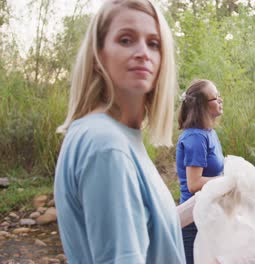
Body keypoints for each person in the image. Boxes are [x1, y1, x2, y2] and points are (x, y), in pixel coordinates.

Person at [53, 0, 185, 263]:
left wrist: (205, 204)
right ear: (98, 54)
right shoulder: (106, 145)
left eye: (153, 44)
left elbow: (146, 229)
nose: (143, 52)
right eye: (126, 40)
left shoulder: (114, 136)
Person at [176, 79, 224, 264]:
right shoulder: (195, 137)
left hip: (208, 215)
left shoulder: (208, 132)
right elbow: (194, 183)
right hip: (193, 220)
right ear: (202, 105)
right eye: (215, 97)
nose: (220, 100)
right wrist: (229, 180)